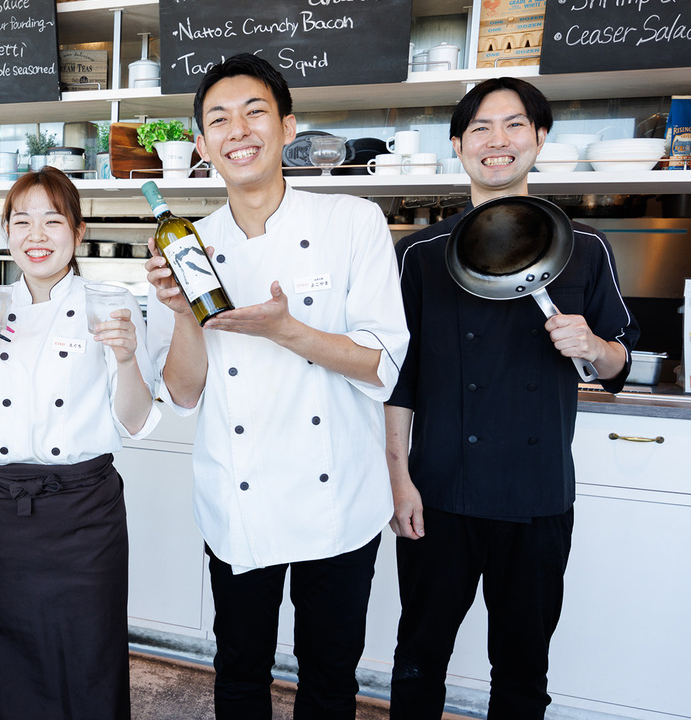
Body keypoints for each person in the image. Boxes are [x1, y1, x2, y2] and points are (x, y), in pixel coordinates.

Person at [144, 53, 409, 718]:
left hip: (339, 503)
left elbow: (383, 364)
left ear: (288, 128)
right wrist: (181, 314)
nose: (238, 129)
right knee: (238, 672)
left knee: (329, 681)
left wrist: (286, 329)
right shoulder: (186, 246)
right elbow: (182, 392)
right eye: (218, 119)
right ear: (201, 147)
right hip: (240, 502)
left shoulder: (353, 222)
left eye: (255, 111)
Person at [386, 77, 637, 718]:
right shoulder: (417, 255)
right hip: (438, 491)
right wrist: (398, 481)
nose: (498, 141)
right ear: (457, 145)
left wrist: (591, 343)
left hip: (538, 491)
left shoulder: (584, 247)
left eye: (515, 125)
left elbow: (617, 366)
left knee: (524, 669)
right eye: (480, 128)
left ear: (540, 138)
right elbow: (397, 379)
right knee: (418, 658)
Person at [0, 166, 161, 719]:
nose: (36, 235)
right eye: (21, 221)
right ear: (6, 231)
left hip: (83, 510)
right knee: (14, 655)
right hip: (5, 510)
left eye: (52, 219)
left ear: (79, 230)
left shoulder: (108, 304)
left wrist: (124, 357)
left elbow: (137, 421)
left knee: (91, 660)